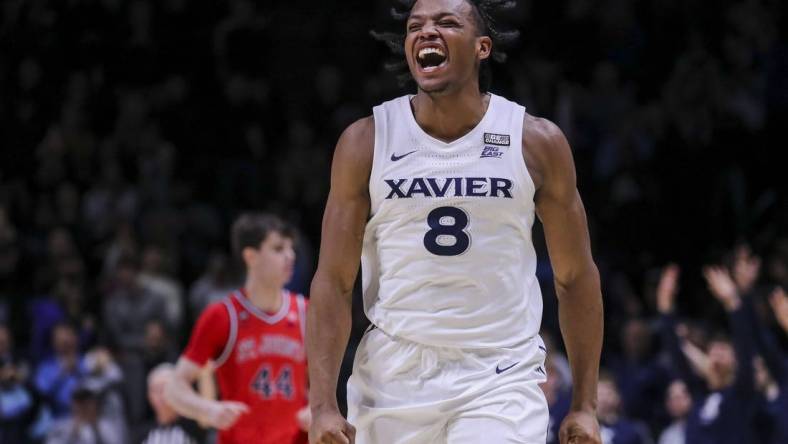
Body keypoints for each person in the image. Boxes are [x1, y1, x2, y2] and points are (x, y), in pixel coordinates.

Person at [306, 0, 604, 443]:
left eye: (447, 23)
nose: (426, 32)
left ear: (482, 47)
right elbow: (333, 281)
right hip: (393, 376)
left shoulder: (535, 142)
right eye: (415, 26)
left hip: (500, 373)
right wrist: (322, 406)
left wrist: (584, 404)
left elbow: (575, 277)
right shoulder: (366, 142)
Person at [165, 213, 310, 444]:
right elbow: (174, 388)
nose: (290, 256)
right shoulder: (222, 316)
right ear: (251, 256)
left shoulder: (306, 312)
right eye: (278, 249)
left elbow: (322, 382)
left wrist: (319, 408)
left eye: (291, 249)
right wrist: (208, 409)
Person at [136, 363, 203, 444]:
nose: (161, 395)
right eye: (156, 390)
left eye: (165, 389)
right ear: (149, 396)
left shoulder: (195, 425)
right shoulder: (142, 433)